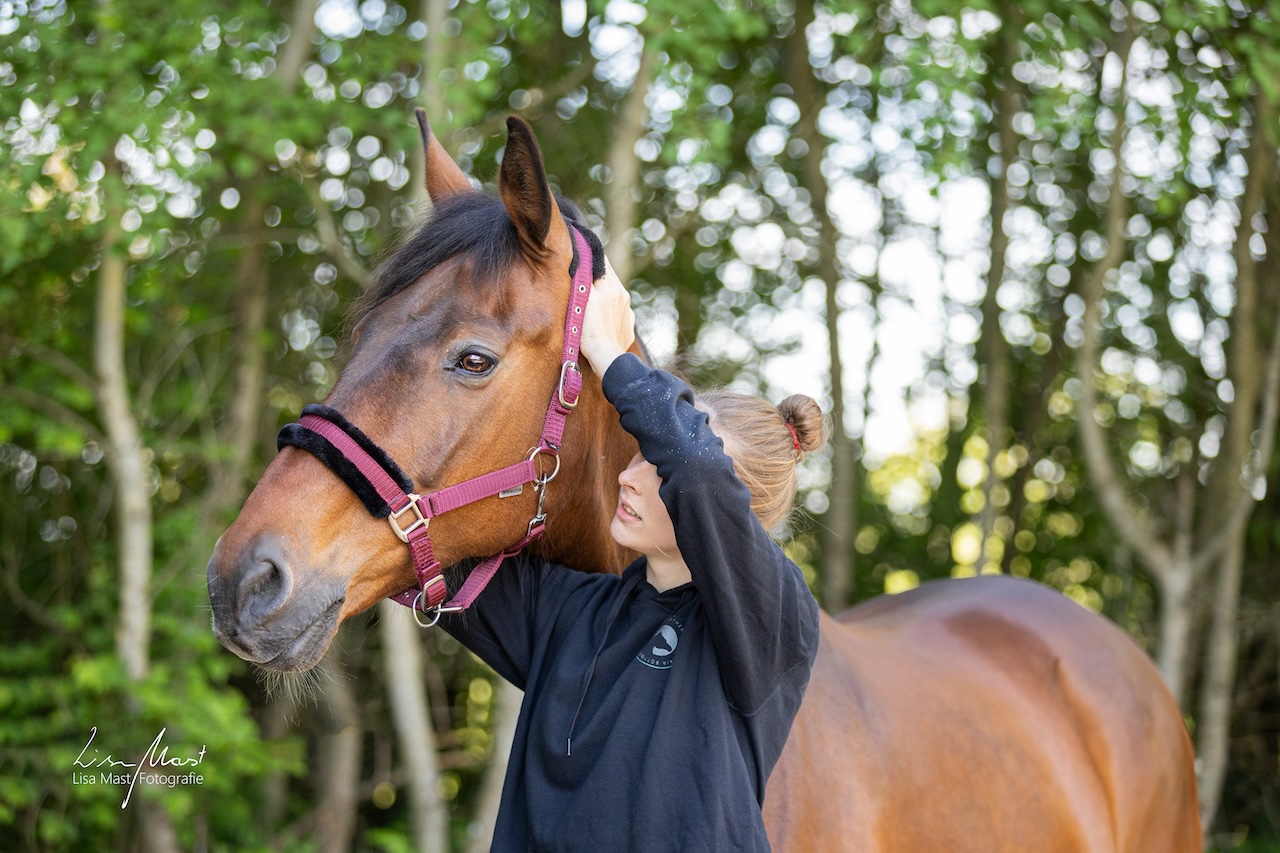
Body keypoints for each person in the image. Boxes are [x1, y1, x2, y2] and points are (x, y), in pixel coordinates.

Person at [441, 259, 825, 852]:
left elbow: (697, 469)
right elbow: (416, 541)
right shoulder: (569, 608)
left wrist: (603, 347)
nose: (631, 477)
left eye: (658, 467)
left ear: (733, 514)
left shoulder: (774, 621)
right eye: (640, 456)